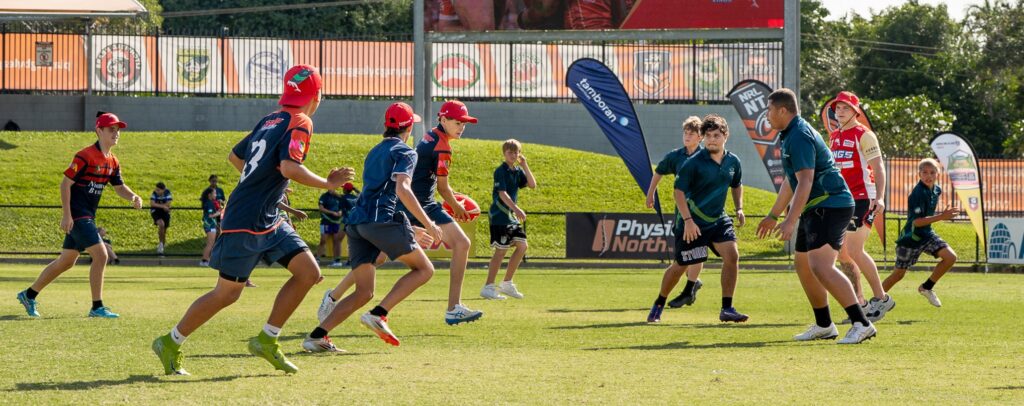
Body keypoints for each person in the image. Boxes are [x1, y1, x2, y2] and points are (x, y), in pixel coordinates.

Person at [152, 65, 354, 376]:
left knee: (308, 272)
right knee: (227, 294)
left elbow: (236, 157)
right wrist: (328, 184)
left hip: (267, 217)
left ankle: (267, 340)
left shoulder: (270, 119)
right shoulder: (302, 121)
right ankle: (170, 341)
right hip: (247, 219)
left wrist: (264, 187)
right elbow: (289, 167)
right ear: (317, 96)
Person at [302, 102, 441, 352]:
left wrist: (407, 227)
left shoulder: (375, 151)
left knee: (364, 292)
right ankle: (379, 314)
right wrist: (429, 224)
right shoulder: (407, 152)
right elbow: (402, 189)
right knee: (424, 269)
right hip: (379, 222)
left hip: (357, 223)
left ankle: (316, 336)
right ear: (408, 127)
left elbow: (380, 194)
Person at [755, 88, 876, 344]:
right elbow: (792, 179)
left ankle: (861, 322)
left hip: (831, 204)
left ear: (783, 110)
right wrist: (773, 215)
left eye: (769, 110)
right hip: (818, 206)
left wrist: (789, 220)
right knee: (803, 265)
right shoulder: (789, 134)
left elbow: (806, 180)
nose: (767, 116)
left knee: (821, 266)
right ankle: (824, 325)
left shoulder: (798, 135)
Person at [16, 111, 143, 319]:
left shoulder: (113, 161)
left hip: (87, 216)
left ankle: (28, 295)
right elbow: (65, 184)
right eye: (111, 129)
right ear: (99, 130)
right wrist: (67, 215)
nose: (116, 133)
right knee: (101, 255)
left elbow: (119, 187)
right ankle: (97, 307)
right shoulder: (85, 155)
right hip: (78, 215)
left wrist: (133, 196)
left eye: (118, 130)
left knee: (67, 261)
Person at [647, 115, 747, 324]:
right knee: (680, 266)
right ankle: (659, 303)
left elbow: (736, 184)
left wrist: (739, 208)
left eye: (716, 135)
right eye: (708, 136)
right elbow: (678, 192)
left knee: (732, 256)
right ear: (703, 138)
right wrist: (688, 221)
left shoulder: (733, 161)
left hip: (719, 220)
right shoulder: (693, 163)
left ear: (725, 136)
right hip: (692, 223)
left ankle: (727, 308)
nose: (712, 139)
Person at [399, 100, 483, 325]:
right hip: (423, 203)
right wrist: (458, 208)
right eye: (457, 122)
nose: (462, 127)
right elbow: (443, 188)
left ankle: (334, 295)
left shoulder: (431, 135)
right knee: (462, 244)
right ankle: (454, 307)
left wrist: (453, 198)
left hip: (412, 202)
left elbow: (433, 179)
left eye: (464, 123)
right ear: (443, 119)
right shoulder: (443, 145)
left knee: (377, 256)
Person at [827, 91, 895, 322]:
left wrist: (881, 197)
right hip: (842, 199)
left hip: (863, 197)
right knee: (843, 252)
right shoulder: (834, 136)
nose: (840, 111)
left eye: (846, 107)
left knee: (855, 250)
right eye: (838, 108)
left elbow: (878, 167)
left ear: (856, 111)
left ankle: (882, 299)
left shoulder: (864, 135)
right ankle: (861, 303)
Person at [646, 116, 705, 310]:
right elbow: (659, 172)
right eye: (685, 133)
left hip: (704, 211)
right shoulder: (676, 156)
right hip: (682, 212)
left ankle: (690, 286)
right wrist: (651, 192)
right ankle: (692, 284)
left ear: (700, 137)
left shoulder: (708, 156)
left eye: (691, 133)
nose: (687, 136)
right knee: (683, 255)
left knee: (698, 251)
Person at [882, 158, 959, 308]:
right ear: (919, 174)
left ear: (938, 174)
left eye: (932, 172)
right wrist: (942, 217)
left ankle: (926, 287)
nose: (928, 175)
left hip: (927, 234)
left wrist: (940, 216)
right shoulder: (917, 194)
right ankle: (875, 301)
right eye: (924, 172)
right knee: (898, 275)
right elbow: (917, 222)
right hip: (911, 238)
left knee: (950, 257)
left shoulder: (936, 189)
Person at [480, 139, 537, 300]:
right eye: (510, 152)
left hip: (510, 217)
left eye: (516, 152)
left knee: (522, 246)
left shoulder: (517, 171)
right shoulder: (500, 171)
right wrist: (516, 209)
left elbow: (532, 184)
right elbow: (502, 194)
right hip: (499, 215)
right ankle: (488, 286)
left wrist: (525, 165)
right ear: (504, 153)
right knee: (501, 251)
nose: (513, 155)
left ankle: (507, 283)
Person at [317, 186, 345, 267]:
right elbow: (321, 208)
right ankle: (317, 258)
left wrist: (340, 212)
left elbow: (343, 206)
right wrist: (332, 212)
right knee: (323, 240)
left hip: (337, 222)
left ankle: (337, 260)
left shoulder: (338, 196)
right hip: (325, 222)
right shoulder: (324, 196)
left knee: (337, 240)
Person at [199, 188, 223, 267]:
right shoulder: (209, 203)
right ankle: (204, 260)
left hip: (211, 225)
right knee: (210, 244)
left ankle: (207, 259)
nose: (216, 195)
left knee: (210, 243)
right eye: (214, 193)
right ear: (210, 195)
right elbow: (210, 215)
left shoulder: (210, 203)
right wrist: (219, 212)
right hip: (210, 225)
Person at [150, 182, 173, 255]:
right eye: (156, 190)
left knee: (164, 230)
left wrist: (164, 206)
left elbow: (168, 203)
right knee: (161, 224)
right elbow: (152, 203)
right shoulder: (154, 193)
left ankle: (161, 247)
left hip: (165, 212)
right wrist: (163, 206)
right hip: (156, 211)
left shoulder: (167, 192)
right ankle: (160, 244)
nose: (157, 191)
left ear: (163, 190)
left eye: (159, 190)